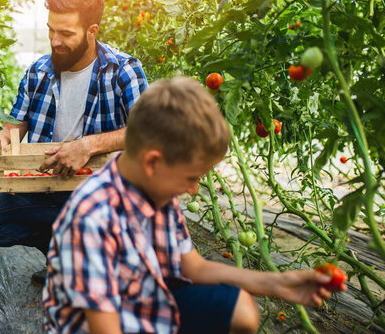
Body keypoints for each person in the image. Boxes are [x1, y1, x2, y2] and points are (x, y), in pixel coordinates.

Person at [43, 77, 347, 334]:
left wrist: (279, 284)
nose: (193, 188)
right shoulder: (91, 217)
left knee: (240, 308)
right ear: (153, 163)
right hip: (102, 324)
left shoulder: (155, 191)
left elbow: (195, 267)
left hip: (144, 302)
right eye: (191, 177)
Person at [0, 0, 148, 286]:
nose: (55, 41)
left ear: (92, 30)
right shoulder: (38, 71)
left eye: (66, 34)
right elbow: (14, 126)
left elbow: (146, 131)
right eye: (51, 30)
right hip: (43, 185)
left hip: (101, 191)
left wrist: (88, 146)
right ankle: (64, 255)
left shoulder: (124, 70)